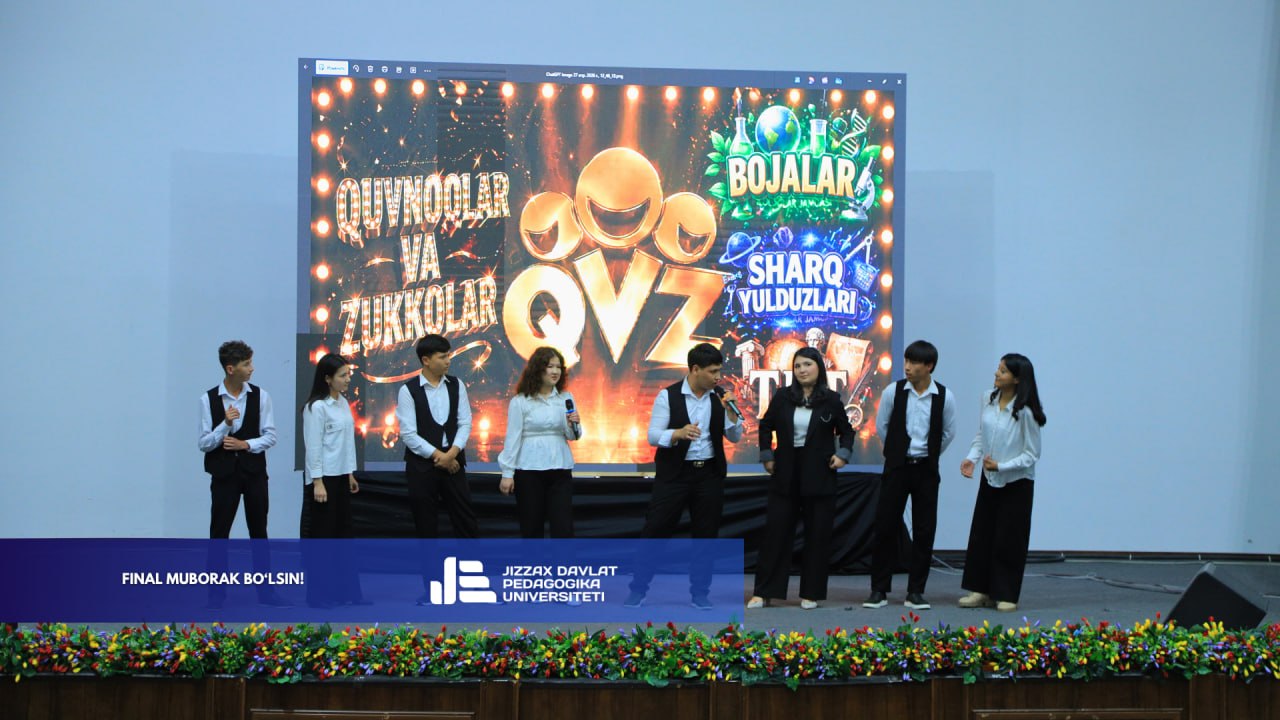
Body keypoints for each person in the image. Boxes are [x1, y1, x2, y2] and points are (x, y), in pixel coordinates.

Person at [625, 343, 743, 610]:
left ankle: (700, 593)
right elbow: (653, 435)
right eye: (712, 371)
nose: (717, 377)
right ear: (695, 369)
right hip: (674, 475)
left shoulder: (720, 397)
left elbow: (735, 436)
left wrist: (731, 413)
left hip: (709, 474)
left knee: (705, 536)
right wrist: (677, 433)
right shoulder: (668, 396)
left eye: (719, 371)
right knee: (655, 530)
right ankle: (638, 589)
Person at [749, 347, 855, 610]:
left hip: (820, 474)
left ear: (819, 367)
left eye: (807, 364)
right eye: (797, 366)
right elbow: (765, 426)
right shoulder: (783, 396)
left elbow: (847, 432)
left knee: (817, 535)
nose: (802, 370)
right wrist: (767, 455)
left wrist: (842, 454)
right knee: (776, 534)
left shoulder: (831, 399)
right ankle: (764, 592)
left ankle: (811, 593)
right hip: (785, 472)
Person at [864, 339, 957, 611]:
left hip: (926, 469)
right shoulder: (893, 392)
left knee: (925, 528)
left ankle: (916, 591)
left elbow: (948, 433)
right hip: (897, 467)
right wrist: (896, 453)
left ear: (929, 366)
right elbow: (882, 427)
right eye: (906, 360)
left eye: (914, 362)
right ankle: (879, 589)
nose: (907, 367)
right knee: (885, 526)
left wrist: (929, 454)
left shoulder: (944, 396)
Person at [197, 340, 287, 607]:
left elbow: (270, 436)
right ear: (230, 368)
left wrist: (245, 445)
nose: (252, 368)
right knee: (219, 534)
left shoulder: (261, 396)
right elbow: (204, 443)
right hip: (224, 476)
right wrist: (225, 425)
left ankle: (266, 592)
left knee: (259, 532)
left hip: (254, 474)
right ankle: (215, 594)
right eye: (246, 364)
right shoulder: (208, 399)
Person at [957, 353, 1046, 613]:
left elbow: (1032, 455)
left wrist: (1002, 466)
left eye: (1003, 371)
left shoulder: (1026, 412)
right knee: (982, 533)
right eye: (998, 369)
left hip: (1016, 482)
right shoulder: (988, 398)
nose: (997, 374)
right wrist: (971, 458)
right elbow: (981, 435)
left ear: (1017, 379)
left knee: (1010, 537)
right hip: (989, 478)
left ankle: (1006, 594)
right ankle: (980, 590)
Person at [396, 334, 478, 539]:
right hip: (421, 466)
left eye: (448, 355)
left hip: (454, 463)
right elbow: (408, 434)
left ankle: (470, 560)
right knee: (425, 524)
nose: (448, 361)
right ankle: (430, 562)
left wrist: (451, 454)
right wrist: (439, 456)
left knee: (465, 520)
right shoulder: (408, 390)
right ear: (426, 360)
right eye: (442, 357)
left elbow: (465, 422)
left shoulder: (456, 384)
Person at [300, 352, 365, 607]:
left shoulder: (343, 403)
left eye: (348, 374)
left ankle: (347, 593)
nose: (348, 379)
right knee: (322, 537)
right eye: (342, 375)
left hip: (340, 477)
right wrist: (317, 481)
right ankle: (318, 595)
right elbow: (313, 447)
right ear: (327, 378)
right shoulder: (316, 407)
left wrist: (350, 473)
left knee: (343, 535)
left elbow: (347, 442)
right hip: (323, 479)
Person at [497, 346, 581, 538]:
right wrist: (507, 473)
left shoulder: (566, 398)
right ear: (537, 369)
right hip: (529, 471)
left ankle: (563, 559)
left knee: (563, 527)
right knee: (531, 527)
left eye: (558, 367)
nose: (555, 371)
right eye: (550, 366)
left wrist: (573, 424)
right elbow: (513, 438)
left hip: (560, 469)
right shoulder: (521, 401)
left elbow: (573, 436)